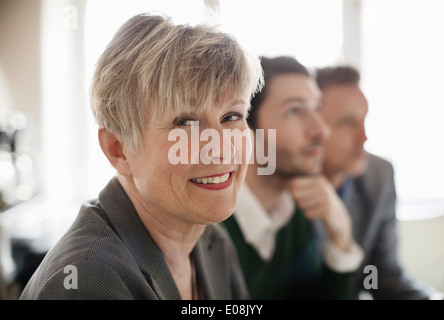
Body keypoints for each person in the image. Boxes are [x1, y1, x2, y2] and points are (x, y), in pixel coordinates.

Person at [19, 13, 263, 300]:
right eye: (185, 123)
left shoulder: (211, 241)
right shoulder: (86, 280)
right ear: (118, 149)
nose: (221, 147)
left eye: (232, 116)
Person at [222, 56, 364, 300]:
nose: (321, 130)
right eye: (294, 111)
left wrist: (341, 236)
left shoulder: (294, 214)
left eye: (317, 108)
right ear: (247, 128)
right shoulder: (211, 222)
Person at [316, 65, 443, 300]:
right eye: (347, 122)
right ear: (312, 128)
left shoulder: (379, 175)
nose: (364, 136)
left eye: (364, 119)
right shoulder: (281, 181)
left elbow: (383, 277)